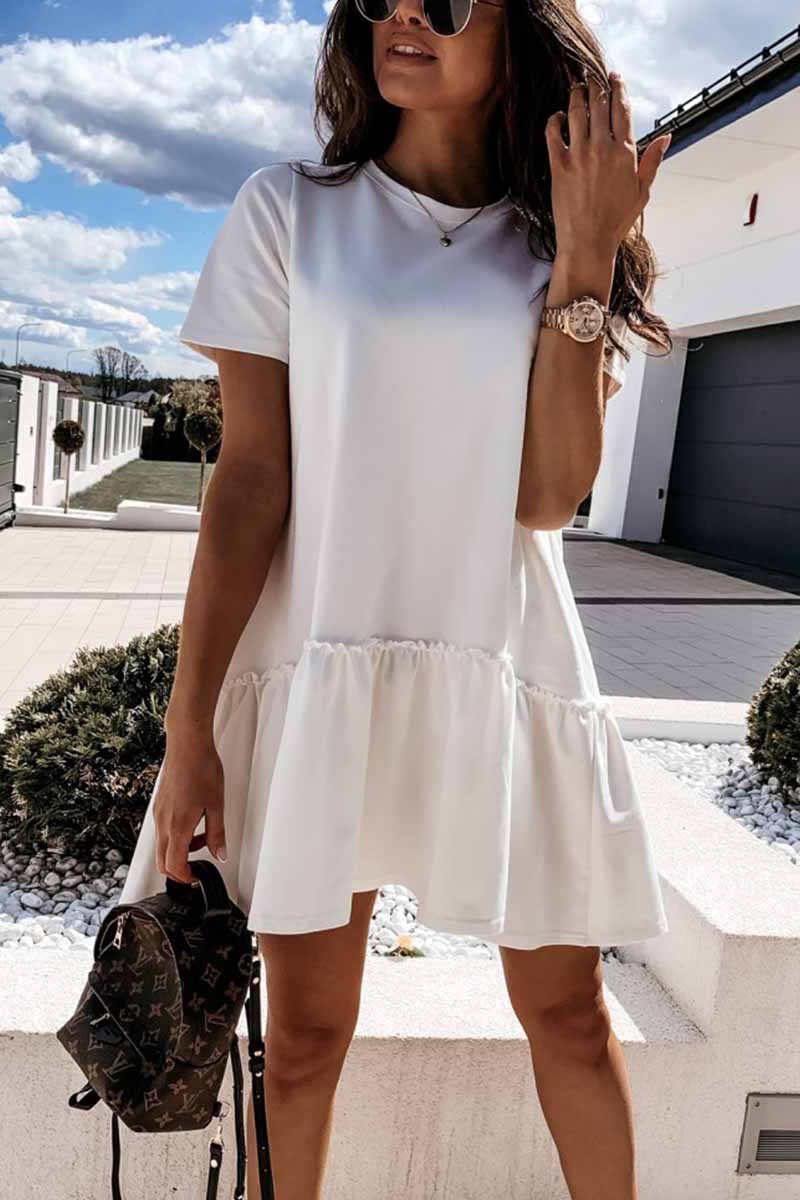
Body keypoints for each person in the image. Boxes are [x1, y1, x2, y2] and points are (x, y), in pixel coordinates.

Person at [120, 0, 675, 1195]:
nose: (405, 13)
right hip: (324, 654)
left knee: (569, 1016)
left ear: (514, 35)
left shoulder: (552, 237)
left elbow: (546, 498)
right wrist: (190, 728)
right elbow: (249, 482)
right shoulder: (288, 212)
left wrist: (585, 256)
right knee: (303, 1040)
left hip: (502, 659)